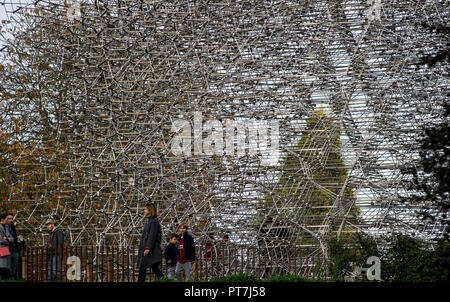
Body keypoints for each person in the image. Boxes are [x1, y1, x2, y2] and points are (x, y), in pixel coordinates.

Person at [137, 203, 164, 282]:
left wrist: (148, 247)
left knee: (144, 269)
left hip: (150, 251)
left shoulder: (154, 222)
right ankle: (165, 280)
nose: (144, 211)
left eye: (145, 209)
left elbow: (152, 236)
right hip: (147, 250)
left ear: (150, 210)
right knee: (153, 269)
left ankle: (165, 280)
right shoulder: (149, 221)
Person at [5, 213, 19, 279]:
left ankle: (11, 278)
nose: (11, 220)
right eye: (9, 219)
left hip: (14, 249)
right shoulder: (3, 227)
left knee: (14, 267)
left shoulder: (13, 228)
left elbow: (14, 239)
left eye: (12, 219)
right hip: (7, 249)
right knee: (7, 267)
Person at [0, 213, 13, 281]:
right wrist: (7, 239)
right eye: (7, 219)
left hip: (5, 250)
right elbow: (1, 239)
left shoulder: (6, 227)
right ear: (3, 219)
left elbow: (11, 239)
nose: (8, 220)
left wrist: (7, 239)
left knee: (5, 268)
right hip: (1, 250)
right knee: (2, 268)